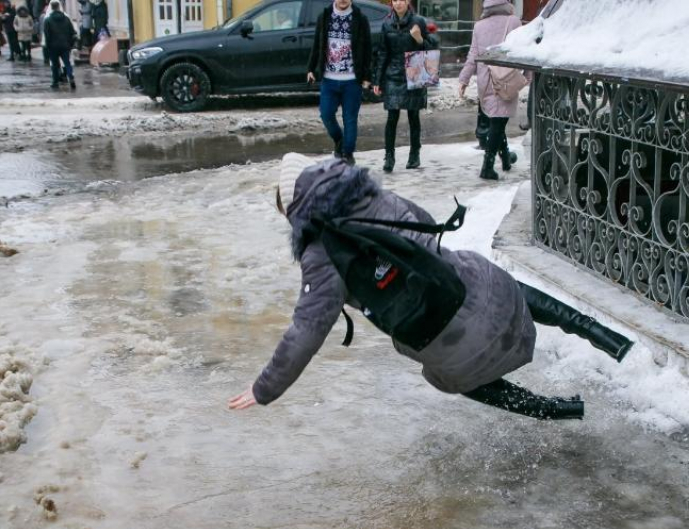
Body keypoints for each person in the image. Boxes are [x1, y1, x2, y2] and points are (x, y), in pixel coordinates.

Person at [229, 155, 633, 419]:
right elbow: (425, 227)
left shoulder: (320, 255)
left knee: (448, 373)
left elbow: (306, 330)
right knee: (489, 280)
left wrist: (264, 389)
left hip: (447, 345)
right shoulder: (375, 197)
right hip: (482, 294)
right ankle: (606, 337)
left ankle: (553, 410)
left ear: (296, 210)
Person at [459, 0, 530, 181]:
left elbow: (473, 55)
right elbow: (524, 50)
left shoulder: (479, 26)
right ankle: (487, 167)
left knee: (497, 122)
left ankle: (505, 158)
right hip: (505, 79)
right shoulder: (513, 21)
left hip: (485, 79)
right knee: (498, 123)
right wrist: (529, 75)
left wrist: (463, 79)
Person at [372, 0, 437, 173]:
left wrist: (419, 39)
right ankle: (389, 156)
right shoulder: (386, 24)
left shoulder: (418, 22)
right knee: (392, 117)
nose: (398, 3)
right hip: (393, 75)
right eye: (395, 0)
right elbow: (382, 53)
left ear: (407, 1)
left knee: (413, 116)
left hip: (414, 73)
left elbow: (431, 48)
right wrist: (377, 80)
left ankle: (414, 154)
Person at [306, 0, 372, 165]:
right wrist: (311, 68)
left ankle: (348, 155)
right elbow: (317, 44)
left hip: (351, 80)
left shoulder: (360, 19)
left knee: (350, 118)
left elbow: (367, 49)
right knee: (326, 114)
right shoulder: (325, 17)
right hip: (329, 78)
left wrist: (366, 76)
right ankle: (339, 141)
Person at [43, 0, 75, 89]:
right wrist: (70, 44)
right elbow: (72, 32)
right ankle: (71, 77)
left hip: (53, 46)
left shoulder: (48, 20)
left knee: (55, 65)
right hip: (65, 45)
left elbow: (47, 35)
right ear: (59, 7)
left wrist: (47, 46)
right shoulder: (66, 18)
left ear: (51, 7)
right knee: (67, 63)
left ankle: (55, 82)